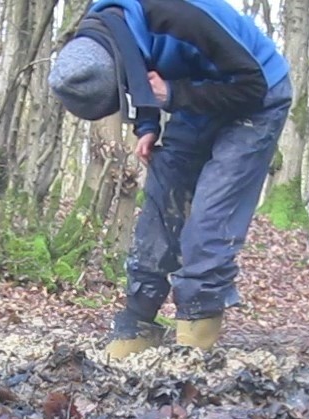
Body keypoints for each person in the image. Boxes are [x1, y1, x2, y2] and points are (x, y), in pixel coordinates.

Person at [47, 0, 292, 360]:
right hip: (195, 92)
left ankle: (196, 337)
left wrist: (173, 95)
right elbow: (138, 68)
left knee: (210, 214)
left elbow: (250, 84)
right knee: (161, 202)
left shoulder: (178, 15)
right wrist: (146, 125)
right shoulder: (104, 26)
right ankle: (138, 322)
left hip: (256, 95)